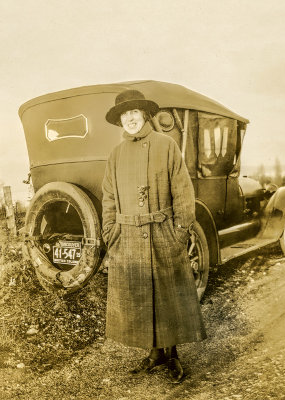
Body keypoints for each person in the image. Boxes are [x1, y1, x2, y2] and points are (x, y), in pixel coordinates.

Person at [102, 89, 206, 383]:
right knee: (139, 297)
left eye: (134, 112)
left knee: (167, 296)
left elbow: (184, 191)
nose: (130, 119)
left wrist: (178, 232)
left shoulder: (166, 145)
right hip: (128, 236)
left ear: (144, 115)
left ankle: (171, 354)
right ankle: (153, 354)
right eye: (125, 114)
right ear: (121, 120)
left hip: (163, 233)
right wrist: (111, 232)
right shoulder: (116, 154)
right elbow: (108, 196)